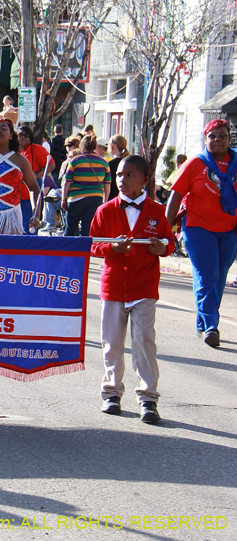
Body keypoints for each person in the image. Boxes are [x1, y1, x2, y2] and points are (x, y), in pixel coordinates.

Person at [90, 155, 174, 423]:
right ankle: (112, 392)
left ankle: (148, 398)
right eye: (118, 176)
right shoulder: (105, 210)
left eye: (129, 176)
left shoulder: (157, 212)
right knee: (112, 343)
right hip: (113, 287)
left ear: (145, 180)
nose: (122, 181)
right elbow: (92, 244)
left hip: (144, 287)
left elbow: (168, 243)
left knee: (144, 342)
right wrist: (111, 248)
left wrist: (163, 249)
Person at [166, 119, 237, 348]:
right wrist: (166, 230)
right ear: (205, 139)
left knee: (218, 279)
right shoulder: (195, 164)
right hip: (199, 228)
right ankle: (211, 326)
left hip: (229, 229)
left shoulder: (236, 162)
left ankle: (202, 320)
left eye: (222, 136)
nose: (217, 140)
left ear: (229, 138)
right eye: (213, 136)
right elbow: (175, 196)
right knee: (208, 277)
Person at [61, 136, 110, 236]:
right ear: (95, 147)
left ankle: (69, 251)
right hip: (96, 198)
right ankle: (85, 251)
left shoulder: (75, 161)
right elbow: (107, 184)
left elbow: (67, 182)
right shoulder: (104, 163)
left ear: (82, 146)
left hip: (76, 198)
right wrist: (105, 200)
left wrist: (63, 199)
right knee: (87, 231)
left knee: (70, 230)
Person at [17, 125, 54, 236]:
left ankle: (29, 250)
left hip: (31, 192)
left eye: (25, 136)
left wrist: (38, 174)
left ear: (30, 138)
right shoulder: (14, 151)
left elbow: (51, 165)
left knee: (30, 223)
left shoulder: (37, 149)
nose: (22, 138)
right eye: (20, 135)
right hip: (16, 194)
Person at [107, 135, 129, 200]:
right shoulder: (128, 163)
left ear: (115, 146)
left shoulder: (110, 164)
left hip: (113, 199)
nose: (108, 146)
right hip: (125, 198)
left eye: (109, 144)